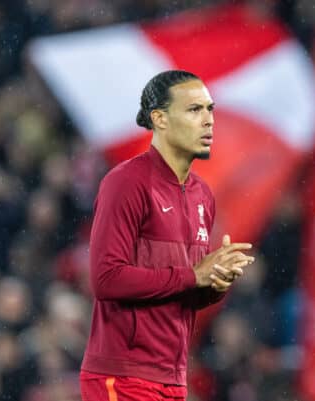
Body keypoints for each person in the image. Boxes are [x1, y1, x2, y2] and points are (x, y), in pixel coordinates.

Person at [79, 70, 255, 401]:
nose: (208, 121)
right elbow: (105, 279)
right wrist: (193, 275)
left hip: (173, 378)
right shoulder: (126, 183)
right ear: (160, 119)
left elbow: (181, 294)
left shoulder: (203, 195)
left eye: (210, 110)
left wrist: (214, 284)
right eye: (194, 110)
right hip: (124, 376)